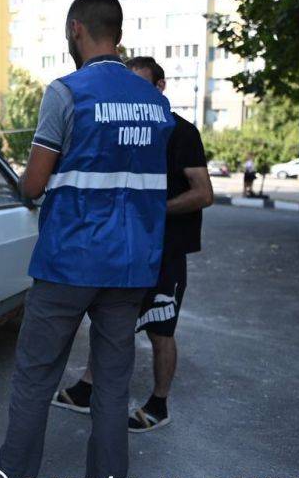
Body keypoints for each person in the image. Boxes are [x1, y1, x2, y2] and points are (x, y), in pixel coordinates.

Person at [0, 0, 175, 478]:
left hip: (68, 262)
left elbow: (33, 183)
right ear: (116, 33)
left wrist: (23, 188)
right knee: (113, 384)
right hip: (129, 268)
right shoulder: (156, 103)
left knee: (35, 376)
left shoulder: (67, 93)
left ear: (77, 29)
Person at [53, 56, 213, 434]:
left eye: (143, 87)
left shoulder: (181, 132)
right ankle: (89, 387)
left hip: (166, 250)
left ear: (160, 88)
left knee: (161, 329)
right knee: (109, 319)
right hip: (124, 247)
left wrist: (154, 209)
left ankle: (159, 403)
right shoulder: (126, 130)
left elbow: (203, 193)